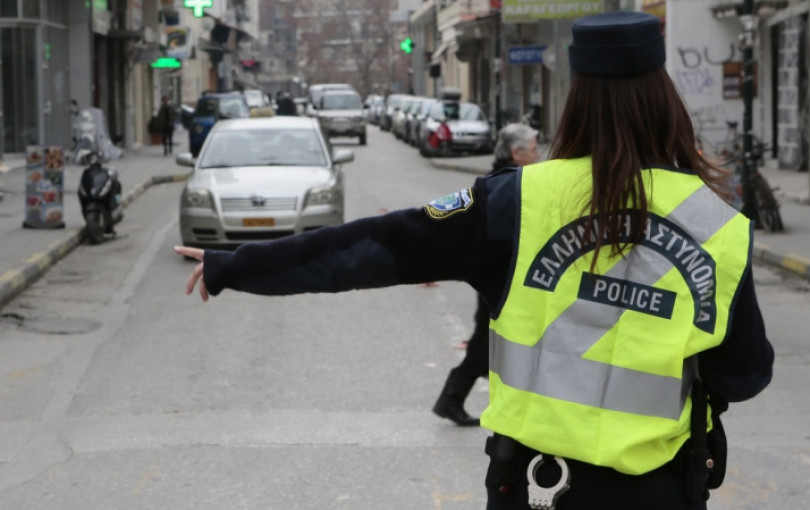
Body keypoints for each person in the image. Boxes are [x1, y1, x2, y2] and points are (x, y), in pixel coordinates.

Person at [176, 11, 773, 509]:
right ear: (664, 98)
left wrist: (238, 265)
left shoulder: (517, 199)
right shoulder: (718, 225)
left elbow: (378, 247)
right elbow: (744, 375)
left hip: (536, 487)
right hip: (660, 493)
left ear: (575, 100)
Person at [432, 123, 540, 427]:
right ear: (516, 153)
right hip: (501, 275)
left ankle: (456, 399)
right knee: (487, 343)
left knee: (493, 341)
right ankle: (451, 399)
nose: (538, 155)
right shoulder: (510, 183)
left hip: (502, 273)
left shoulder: (507, 179)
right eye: (534, 150)